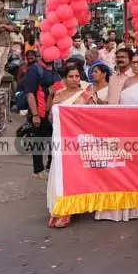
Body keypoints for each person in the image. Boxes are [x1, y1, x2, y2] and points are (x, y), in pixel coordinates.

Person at [95, 51, 138, 222]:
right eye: (133, 62)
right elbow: (120, 104)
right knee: (125, 168)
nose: (135, 65)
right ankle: (125, 204)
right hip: (124, 129)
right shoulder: (127, 81)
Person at [46, 64, 92, 228]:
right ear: (64, 79)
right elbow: (51, 117)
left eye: (77, 76)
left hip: (79, 141)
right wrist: (50, 96)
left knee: (76, 174)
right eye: (71, 76)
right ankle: (60, 209)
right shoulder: (58, 94)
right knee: (59, 173)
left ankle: (72, 209)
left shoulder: (87, 94)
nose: (75, 79)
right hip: (61, 140)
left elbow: (92, 117)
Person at [22, 55, 60, 179]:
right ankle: (38, 170)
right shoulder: (35, 69)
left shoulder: (55, 67)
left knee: (52, 142)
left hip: (53, 113)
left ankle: (50, 167)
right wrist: (35, 115)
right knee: (39, 141)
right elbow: (29, 93)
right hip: (40, 112)